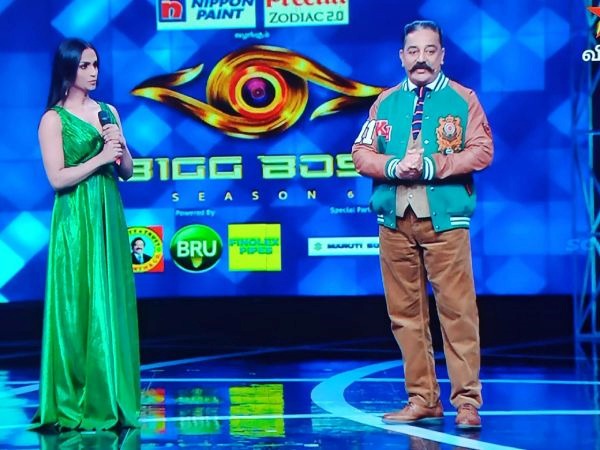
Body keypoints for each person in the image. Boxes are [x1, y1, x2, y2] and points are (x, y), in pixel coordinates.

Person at [352, 20, 493, 429]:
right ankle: (423, 399)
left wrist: (434, 165)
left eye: (430, 51)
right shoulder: (385, 103)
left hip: (445, 222)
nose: (421, 59)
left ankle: (467, 403)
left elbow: (482, 151)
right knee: (405, 316)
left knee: (458, 312)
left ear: (442, 55)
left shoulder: (463, 99)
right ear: (402, 57)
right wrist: (394, 166)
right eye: (413, 51)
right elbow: (361, 152)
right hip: (395, 222)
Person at [31, 38, 140, 431]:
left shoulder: (108, 111)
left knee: (109, 301)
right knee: (78, 303)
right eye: (85, 66)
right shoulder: (53, 119)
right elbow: (58, 178)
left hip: (108, 213)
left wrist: (118, 148)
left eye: (96, 65)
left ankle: (112, 394)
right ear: (68, 70)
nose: (94, 72)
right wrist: (99, 158)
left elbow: (126, 170)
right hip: (75, 220)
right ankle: (75, 398)